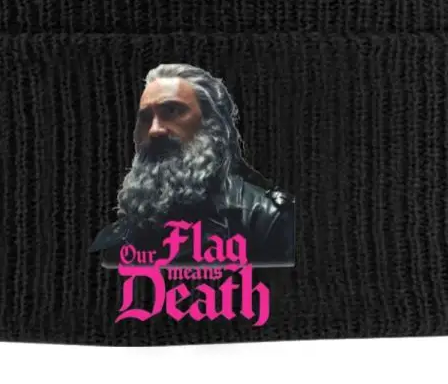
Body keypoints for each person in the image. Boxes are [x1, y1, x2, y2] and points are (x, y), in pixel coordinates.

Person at [90, 63, 295, 267]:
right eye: (146, 118)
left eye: (171, 110)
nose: (154, 129)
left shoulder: (267, 219)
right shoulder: (122, 233)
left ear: (212, 124)